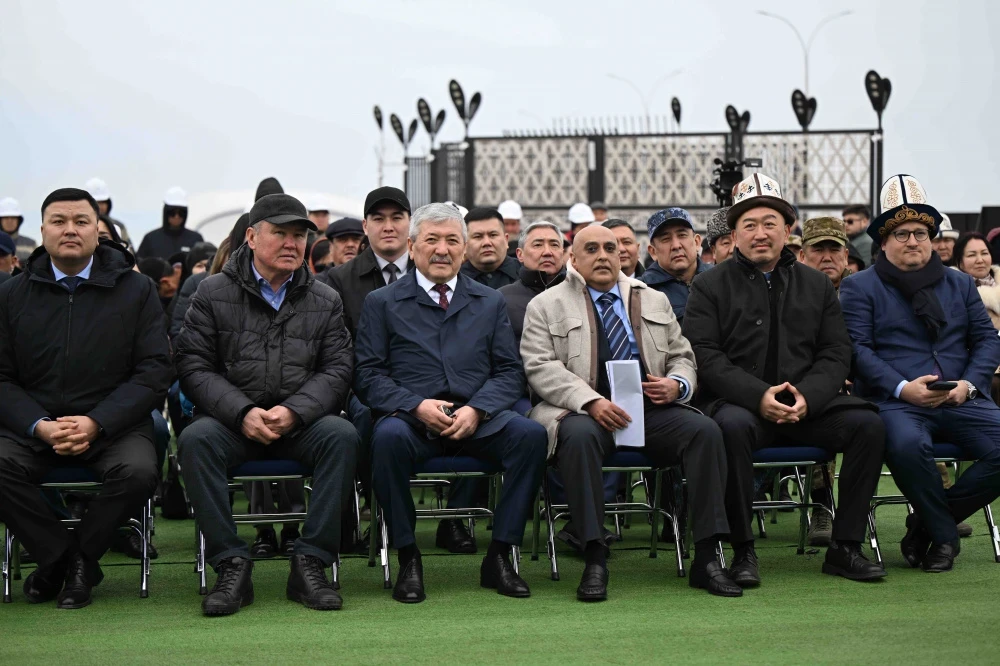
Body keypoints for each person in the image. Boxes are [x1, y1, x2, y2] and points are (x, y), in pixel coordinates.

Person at [682, 173, 888, 586]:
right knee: (729, 429)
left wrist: (808, 397)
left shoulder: (817, 284)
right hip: (741, 407)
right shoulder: (708, 285)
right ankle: (742, 551)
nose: (760, 233)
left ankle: (845, 546)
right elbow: (704, 354)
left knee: (868, 425)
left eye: (770, 223)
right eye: (749, 225)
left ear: (788, 229)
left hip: (808, 407)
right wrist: (759, 396)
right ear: (734, 235)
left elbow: (836, 352)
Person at [522, 225, 740, 600]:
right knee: (579, 437)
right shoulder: (546, 304)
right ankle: (594, 556)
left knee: (704, 431)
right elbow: (540, 368)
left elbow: (682, 356)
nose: (603, 256)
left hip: (649, 408)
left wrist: (677, 384)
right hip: (581, 411)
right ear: (573, 259)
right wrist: (590, 401)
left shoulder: (652, 299)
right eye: (592, 249)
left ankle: (707, 558)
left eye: (610, 248)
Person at [354, 202, 547, 604]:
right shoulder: (382, 301)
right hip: (411, 420)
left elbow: (509, 372)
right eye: (432, 240)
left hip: (478, 419)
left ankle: (499, 555)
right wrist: (416, 405)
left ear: (464, 249)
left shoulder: (489, 301)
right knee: (385, 439)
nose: (442, 250)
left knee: (530, 435)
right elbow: (368, 375)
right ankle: (408, 556)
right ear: (412, 246)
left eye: (452, 241)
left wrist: (478, 409)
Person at [175, 193, 358, 615]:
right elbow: (193, 365)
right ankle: (231, 564)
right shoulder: (211, 292)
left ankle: (310, 561)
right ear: (252, 237)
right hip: (231, 424)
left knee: (342, 435)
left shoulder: (325, 298)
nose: (292, 243)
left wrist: (295, 411)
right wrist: (241, 412)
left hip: (301, 424)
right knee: (195, 440)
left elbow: (338, 369)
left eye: (299, 235)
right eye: (280, 233)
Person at [0, 188, 172, 609]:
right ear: (42, 231)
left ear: (98, 230)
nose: (70, 230)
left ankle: (75, 559)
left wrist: (97, 422)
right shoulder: (10, 294)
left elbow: (154, 370)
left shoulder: (137, 290)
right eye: (59, 221)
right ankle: (63, 560)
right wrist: (39, 425)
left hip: (113, 426)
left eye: (81, 221)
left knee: (138, 472)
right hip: (33, 427)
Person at [840, 174, 1000, 573]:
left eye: (921, 233)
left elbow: (987, 340)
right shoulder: (859, 287)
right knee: (908, 447)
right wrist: (902, 388)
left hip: (960, 398)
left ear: (932, 238)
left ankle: (924, 527)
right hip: (897, 403)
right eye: (902, 233)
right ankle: (944, 536)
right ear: (883, 241)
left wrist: (968, 384)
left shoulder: (960, 283)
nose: (913, 241)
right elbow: (858, 350)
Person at [794, 216, 854, 545]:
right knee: (821, 407)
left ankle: (935, 501)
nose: (827, 257)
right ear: (803, 255)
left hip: (864, 381)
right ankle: (822, 505)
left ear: (846, 255)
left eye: (835, 249)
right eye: (818, 250)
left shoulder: (863, 290)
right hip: (814, 385)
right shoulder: (791, 290)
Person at [498, 221, 566, 346]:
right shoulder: (501, 299)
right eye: (538, 245)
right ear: (520, 254)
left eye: (554, 245)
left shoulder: (581, 294)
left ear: (563, 252)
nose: (547, 252)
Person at [641, 208, 712, 324]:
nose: (676, 245)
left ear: (697, 242)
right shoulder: (643, 292)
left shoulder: (719, 279)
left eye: (682, 235)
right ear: (653, 252)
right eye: (666, 239)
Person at [136, 187, 204, 260]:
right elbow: (138, 263)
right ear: (166, 213)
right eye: (172, 212)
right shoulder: (150, 239)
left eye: (181, 213)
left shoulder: (196, 239)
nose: (176, 216)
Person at [461, 207, 520, 289]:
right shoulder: (454, 281)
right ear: (465, 244)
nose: (487, 243)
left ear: (506, 240)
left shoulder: (529, 276)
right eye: (478, 236)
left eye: (493, 235)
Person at [85, 178, 131, 247]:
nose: (99, 206)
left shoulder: (119, 226)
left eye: (102, 202)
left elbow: (129, 249)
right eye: (95, 203)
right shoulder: (78, 225)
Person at [0, 197, 37, 264]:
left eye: (13, 218)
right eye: (6, 218)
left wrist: (22, 266)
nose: (9, 221)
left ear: (19, 220)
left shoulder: (31, 244)